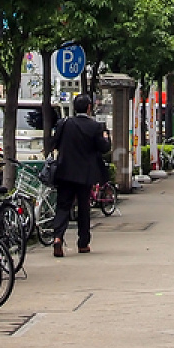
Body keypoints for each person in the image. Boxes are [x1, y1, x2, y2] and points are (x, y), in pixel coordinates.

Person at [51, 93, 111, 257]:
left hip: (65, 172)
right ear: (89, 108)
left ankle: (57, 238)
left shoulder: (65, 123)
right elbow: (104, 148)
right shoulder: (95, 127)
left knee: (63, 206)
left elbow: (54, 143)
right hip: (85, 175)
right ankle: (83, 243)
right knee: (83, 208)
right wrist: (106, 136)